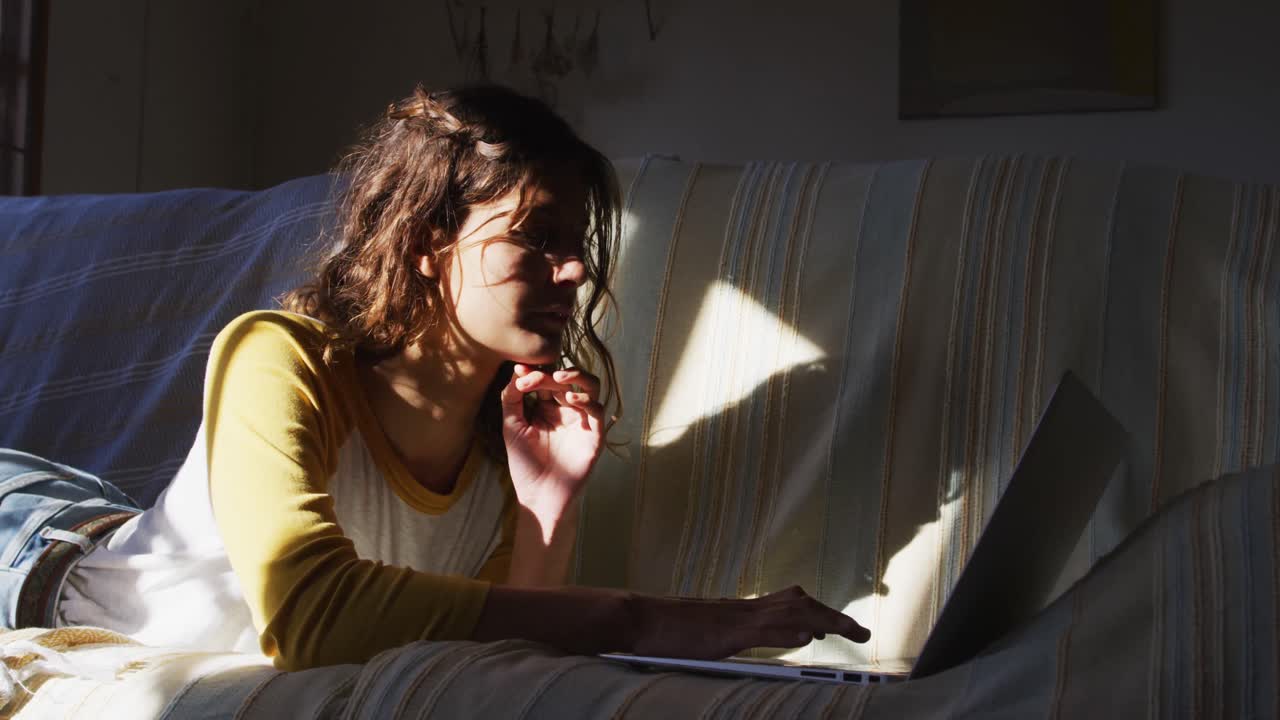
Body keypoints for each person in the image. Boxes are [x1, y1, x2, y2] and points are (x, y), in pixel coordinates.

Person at [0, 84, 870, 672]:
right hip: (34, 553)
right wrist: (657, 618)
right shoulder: (277, 353)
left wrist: (547, 503)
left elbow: (491, 656)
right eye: (536, 238)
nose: (573, 272)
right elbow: (311, 614)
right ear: (427, 242)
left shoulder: (504, 435)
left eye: (578, 246)